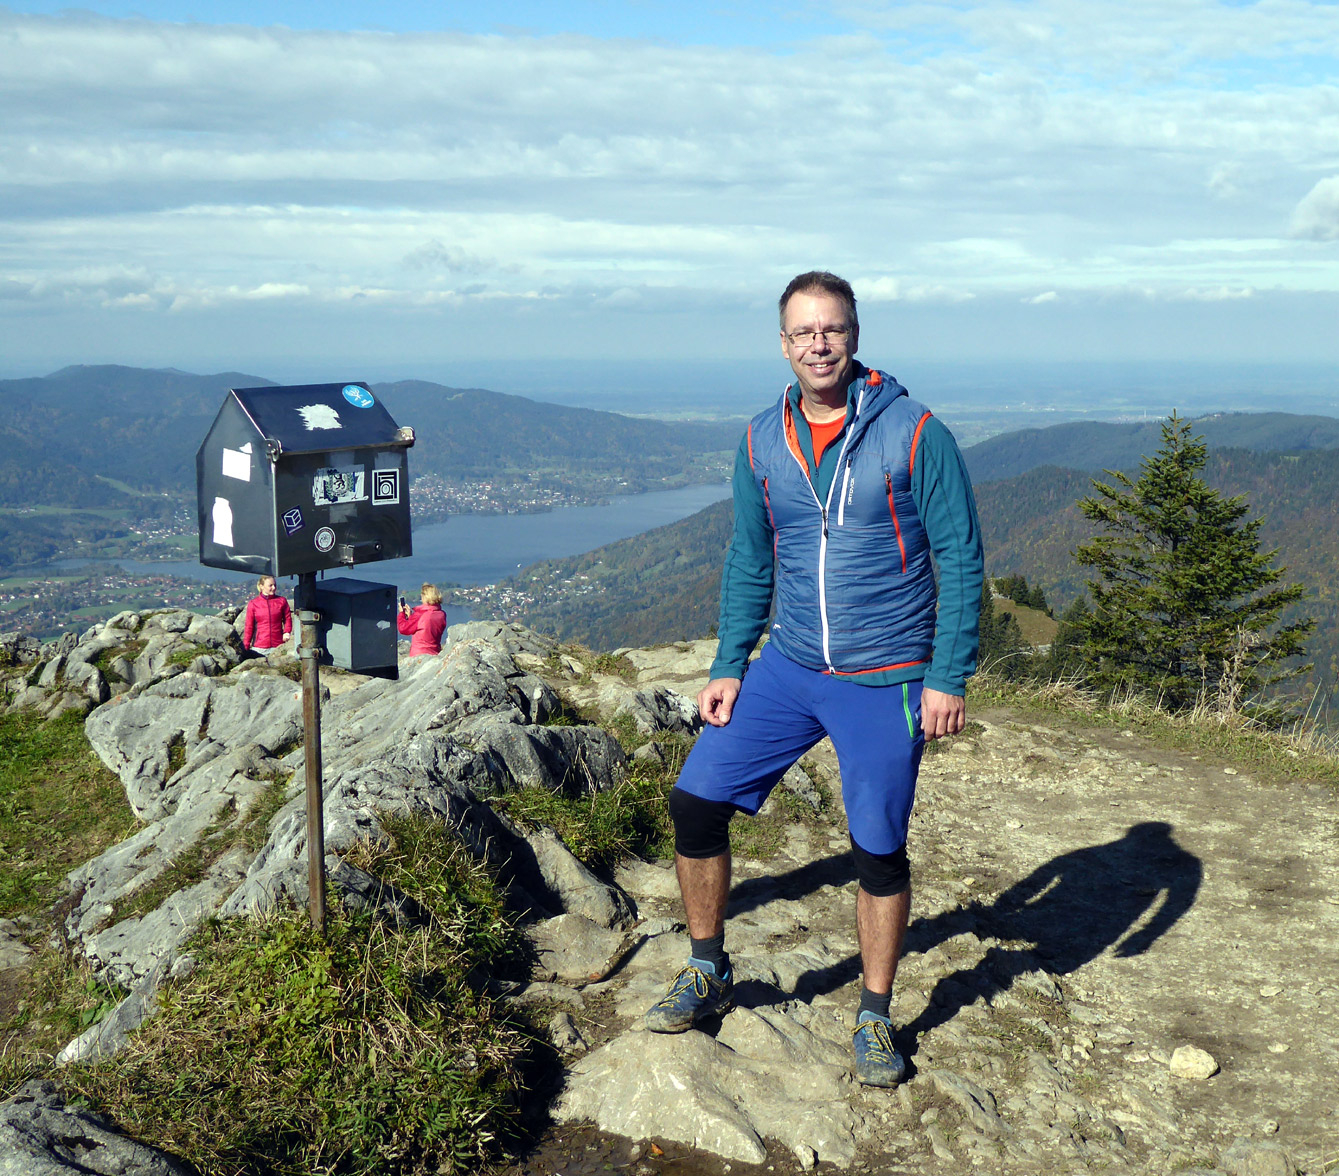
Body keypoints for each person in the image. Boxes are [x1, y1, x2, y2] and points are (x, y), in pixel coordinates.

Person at [643, 271, 984, 1088]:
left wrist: (947, 675)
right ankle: (707, 967)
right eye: (803, 332)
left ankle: (873, 1014)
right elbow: (749, 556)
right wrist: (729, 664)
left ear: (854, 336)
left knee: (876, 850)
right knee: (694, 803)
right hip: (789, 666)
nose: (818, 344)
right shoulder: (762, 439)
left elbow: (961, 556)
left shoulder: (913, 432)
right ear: (783, 345)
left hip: (886, 676)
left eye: (831, 329)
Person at [241, 574, 292, 653]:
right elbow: (249, 626)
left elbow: (287, 618)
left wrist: (286, 632)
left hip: (278, 646)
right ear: (261, 586)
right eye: (270, 585)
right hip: (259, 647)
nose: (273, 588)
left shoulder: (282, 601)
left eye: (274, 585)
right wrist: (246, 646)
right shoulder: (253, 604)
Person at [398, 582, 447, 656]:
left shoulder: (420, 615)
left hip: (419, 654)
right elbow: (425, 627)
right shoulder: (442, 614)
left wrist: (402, 614)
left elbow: (403, 629)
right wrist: (411, 616)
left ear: (425, 597)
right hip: (434, 652)